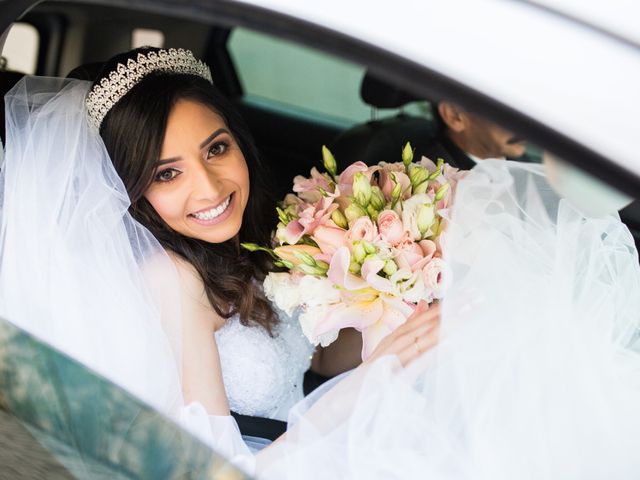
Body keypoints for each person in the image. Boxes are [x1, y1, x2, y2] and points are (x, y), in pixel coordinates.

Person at [2, 47, 640, 479]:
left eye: (216, 148)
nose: (210, 186)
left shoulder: (244, 245)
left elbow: (301, 360)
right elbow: (212, 468)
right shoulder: (170, 277)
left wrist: (383, 299)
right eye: (167, 173)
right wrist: (371, 382)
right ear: (130, 185)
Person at [422, 100, 528, 170]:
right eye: (507, 111)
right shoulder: (433, 179)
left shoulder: (524, 163)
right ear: (454, 116)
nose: (523, 123)